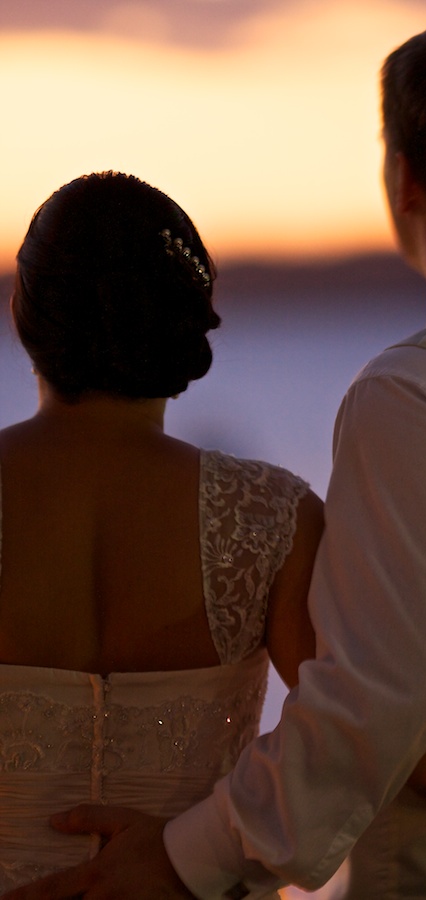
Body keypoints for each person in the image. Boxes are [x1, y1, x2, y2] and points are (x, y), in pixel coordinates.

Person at [5, 17, 426, 899]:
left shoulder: (425, 395)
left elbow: (383, 710)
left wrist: (182, 858)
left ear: (405, 178)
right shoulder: (269, 518)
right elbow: (361, 714)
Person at [0, 171, 323, 894]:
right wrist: (204, 859)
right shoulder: (274, 515)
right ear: (185, 325)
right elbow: (348, 743)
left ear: (22, 312)